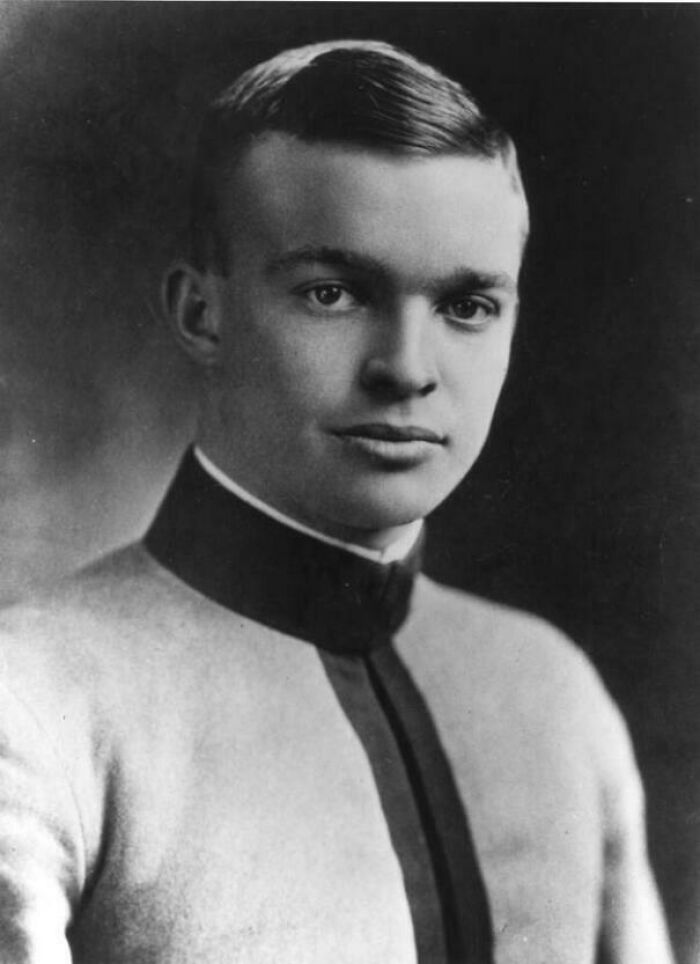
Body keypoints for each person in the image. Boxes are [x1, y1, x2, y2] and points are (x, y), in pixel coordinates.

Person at [0, 40, 673, 964]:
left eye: (468, 306)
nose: (405, 369)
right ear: (202, 314)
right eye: (334, 292)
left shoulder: (551, 694)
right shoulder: (34, 700)